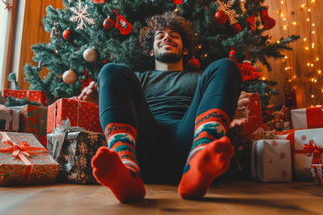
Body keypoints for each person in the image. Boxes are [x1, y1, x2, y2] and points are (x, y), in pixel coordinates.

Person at [79, 12, 250, 203]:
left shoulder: (202, 77)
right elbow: (122, 106)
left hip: (189, 141)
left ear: (185, 50)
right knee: (111, 70)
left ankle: (197, 165)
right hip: (144, 147)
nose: (167, 37)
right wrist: (101, 99)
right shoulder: (135, 79)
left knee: (225, 65)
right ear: (151, 50)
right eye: (160, 36)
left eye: (174, 36)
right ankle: (127, 170)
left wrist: (229, 101)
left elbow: (217, 99)